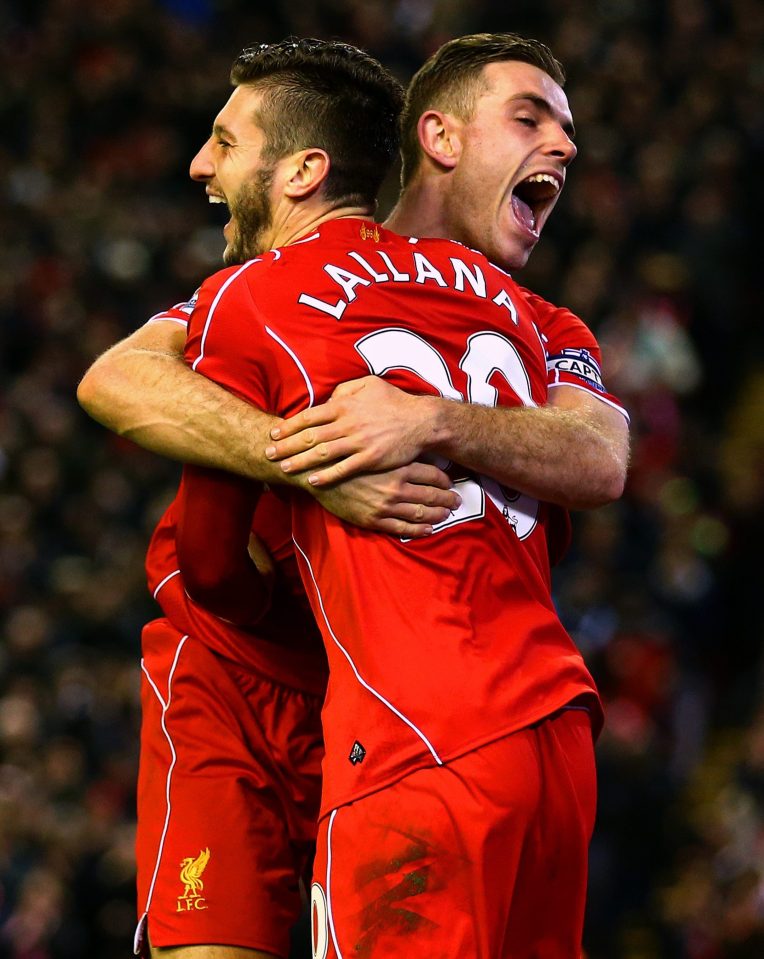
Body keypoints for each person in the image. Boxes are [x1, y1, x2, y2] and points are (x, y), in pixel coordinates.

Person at [77, 33, 629, 959]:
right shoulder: (325, 282)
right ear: (439, 137)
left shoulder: (298, 287)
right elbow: (122, 378)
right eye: (531, 118)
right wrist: (311, 458)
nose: (566, 149)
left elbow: (601, 455)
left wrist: (428, 421)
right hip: (260, 673)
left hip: (397, 700)